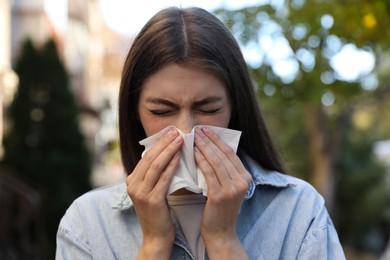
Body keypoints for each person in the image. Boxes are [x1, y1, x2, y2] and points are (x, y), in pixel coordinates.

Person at [56, 6, 345, 260]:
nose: (185, 131)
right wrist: (154, 245)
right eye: (161, 111)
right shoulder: (87, 224)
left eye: (208, 108)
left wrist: (223, 241)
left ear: (235, 107)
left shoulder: (299, 213)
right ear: (134, 113)